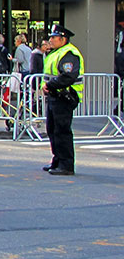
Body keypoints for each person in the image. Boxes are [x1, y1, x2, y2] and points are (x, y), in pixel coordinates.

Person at [41, 24, 83, 176]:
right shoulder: (56, 52)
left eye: (54, 37)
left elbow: (68, 76)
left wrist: (50, 85)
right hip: (55, 95)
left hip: (64, 96)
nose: (51, 40)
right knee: (52, 130)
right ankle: (57, 160)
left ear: (63, 39)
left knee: (62, 131)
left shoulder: (69, 54)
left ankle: (66, 165)